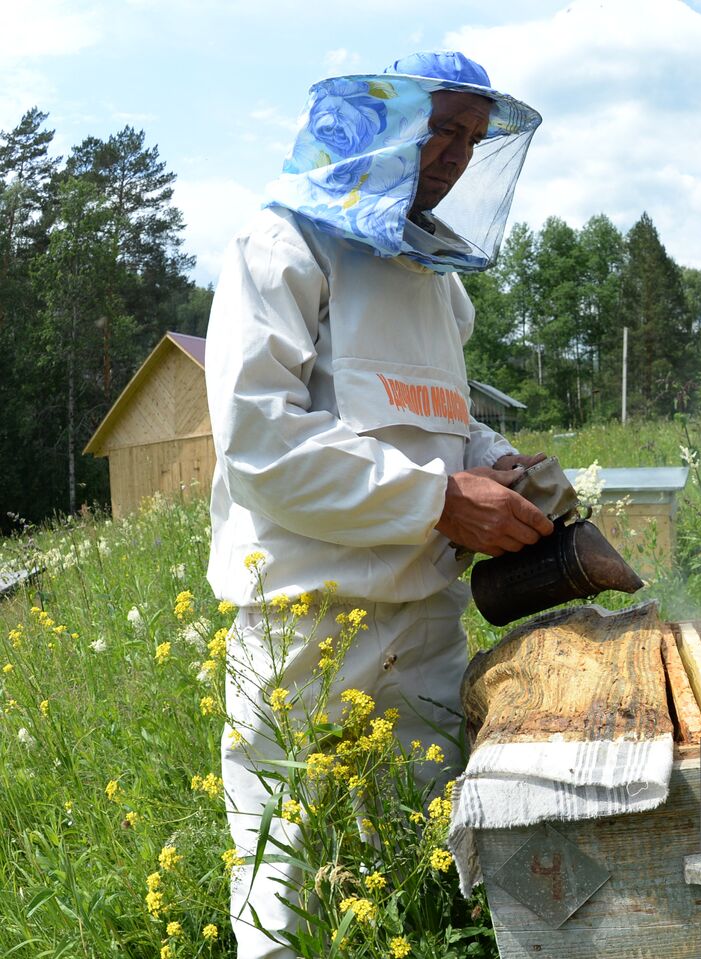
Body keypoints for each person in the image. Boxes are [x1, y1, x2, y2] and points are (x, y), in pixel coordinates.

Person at [204, 52, 554, 958]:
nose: (455, 156)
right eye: (441, 128)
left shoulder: (435, 275)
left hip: (424, 614)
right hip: (304, 618)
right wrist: (440, 501)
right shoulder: (283, 244)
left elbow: (442, 412)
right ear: (379, 120)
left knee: (418, 857)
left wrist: (497, 463)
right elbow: (260, 442)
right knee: (285, 854)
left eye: (473, 140)